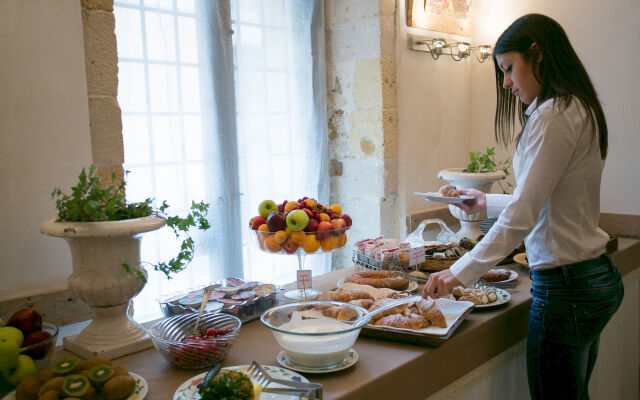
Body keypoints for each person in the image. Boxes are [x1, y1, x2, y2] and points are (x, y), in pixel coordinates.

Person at [421, 13, 624, 400]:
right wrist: (485, 201)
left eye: (509, 68)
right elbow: (548, 199)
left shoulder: (554, 113)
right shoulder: (577, 107)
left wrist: (459, 272)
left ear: (539, 54)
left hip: (568, 288)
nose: (507, 83)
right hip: (592, 277)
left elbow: (525, 211)